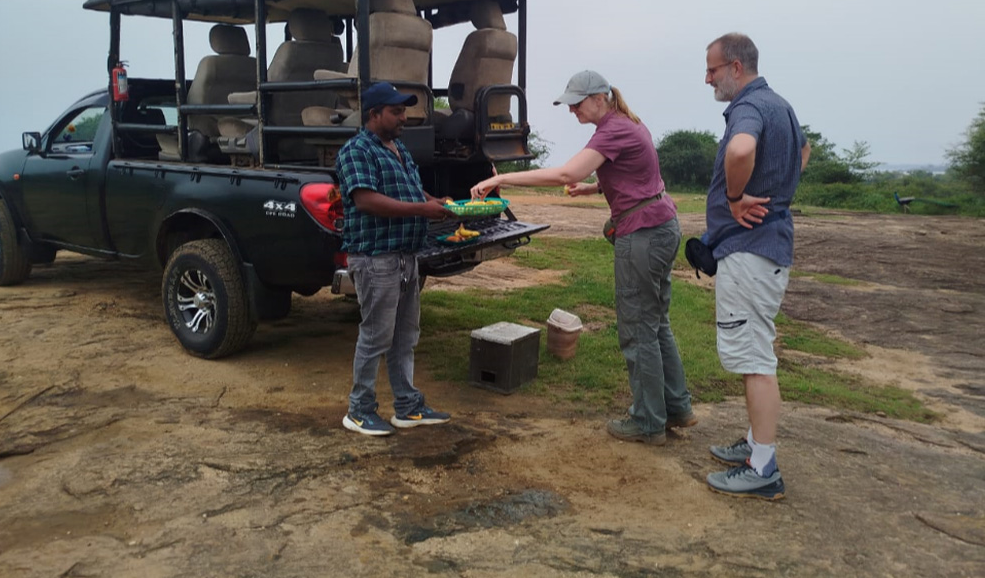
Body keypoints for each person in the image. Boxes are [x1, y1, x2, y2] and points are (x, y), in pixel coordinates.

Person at [471, 70, 695, 445]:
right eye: (569, 103)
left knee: (639, 329)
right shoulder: (625, 124)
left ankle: (648, 421)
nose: (572, 108)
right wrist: (592, 189)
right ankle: (676, 408)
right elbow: (631, 173)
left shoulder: (613, 129)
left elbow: (564, 172)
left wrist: (501, 180)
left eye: (577, 102)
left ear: (600, 98)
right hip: (659, 224)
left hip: (642, 234)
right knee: (656, 324)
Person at [701, 33, 811, 500]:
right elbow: (803, 152)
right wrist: (779, 190)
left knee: (755, 360)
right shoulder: (779, 104)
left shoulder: (748, 107)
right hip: (767, 246)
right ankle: (752, 445)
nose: (708, 79)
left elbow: (740, 150)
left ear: (736, 68)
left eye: (712, 69)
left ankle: (763, 467)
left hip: (750, 250)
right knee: (755, 352)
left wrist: (733, 198)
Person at [335, 81, 456, 436]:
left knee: (406, 335)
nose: (404, 117)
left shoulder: (397, 147)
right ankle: (359, 410)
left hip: (405, 257)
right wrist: (423, 209)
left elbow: (411, 188)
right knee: (376, 335)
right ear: (374, 115)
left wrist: (439, 202)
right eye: (397, 111)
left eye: (404, 110)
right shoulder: (357, 151)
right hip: (376, 259)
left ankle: (408, 407)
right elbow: (366, 200)